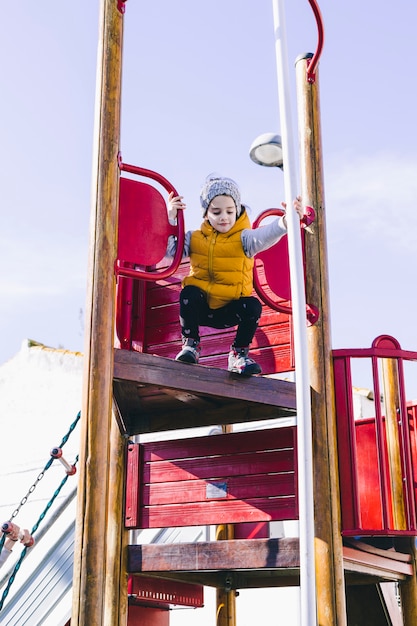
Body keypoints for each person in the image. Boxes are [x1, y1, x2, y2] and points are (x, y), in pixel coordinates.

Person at [167, 174, 304, 376]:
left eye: (230, 211)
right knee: (189, 293)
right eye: (216, 211)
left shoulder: (245, 238)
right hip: (201, 309)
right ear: (206, 214)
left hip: (229, 311)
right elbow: (171, 250)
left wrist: (286, 221)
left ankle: (239, 354)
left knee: (253, 306)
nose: (224, 217)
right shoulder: (195, 238)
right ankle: (190, 345)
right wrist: (171, 217)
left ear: (237, 210)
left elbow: (265, 235)